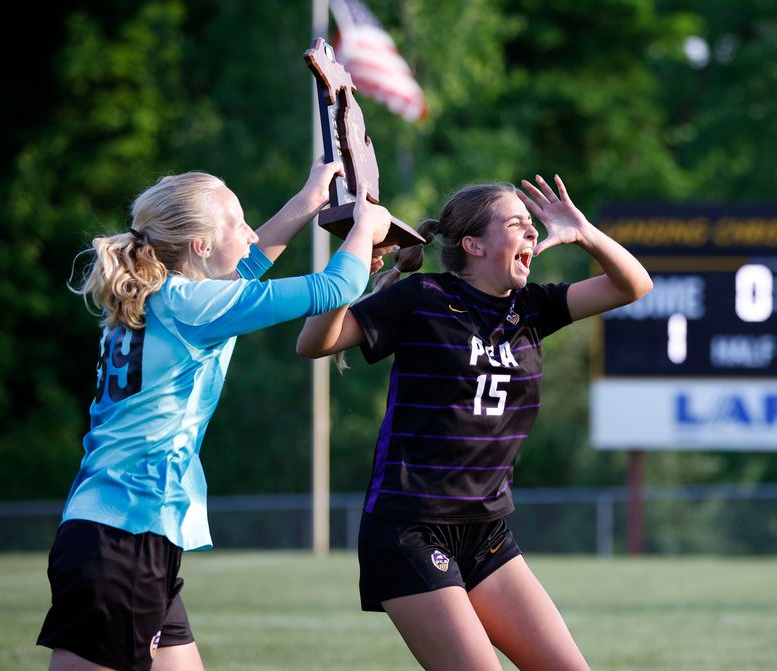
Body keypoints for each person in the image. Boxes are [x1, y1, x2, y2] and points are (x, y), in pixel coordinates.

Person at [37, 157, 391, 671]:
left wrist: (308, 202)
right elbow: (333, 290)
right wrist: (365, 230)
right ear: (200, 246)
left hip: (119, 534)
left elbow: (246, 267)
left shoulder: (164, 297)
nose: (250, 232)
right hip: (125, 538)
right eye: (237, 223)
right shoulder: (194, 306)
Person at [296, 174, 653, 670]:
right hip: (410, 531)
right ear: (473, 244)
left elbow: (633, 285)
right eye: (517, 224)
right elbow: (314, 343)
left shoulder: (532, 308)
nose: (532, 234)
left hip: (487, 532)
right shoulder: (421, 298)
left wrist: (584, 231)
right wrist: (350, 266)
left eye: (532, 226)